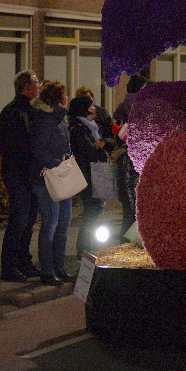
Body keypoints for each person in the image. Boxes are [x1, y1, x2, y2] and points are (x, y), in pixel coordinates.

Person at [30, 81, 76, 286]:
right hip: (48, 178)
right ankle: (47, 271)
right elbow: (38, 150)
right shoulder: (46, 120)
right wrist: (57, 164)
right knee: (51, 223)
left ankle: (59, 267)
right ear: (59, 98)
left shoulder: (58, 119)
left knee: (64, 222)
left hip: (61, 175)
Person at [0, 70, 41, 282]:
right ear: (27, 87)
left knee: (29, 219)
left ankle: (24, 261)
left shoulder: (29, 110)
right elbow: (16, 146)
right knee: (19, 220)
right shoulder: (14, 112)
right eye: (36, 83)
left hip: (29, 173)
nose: (39, 86)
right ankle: (9, 266)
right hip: (19, 174)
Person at [68, 95, 109, 257]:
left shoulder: (91, 126)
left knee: (95, 209)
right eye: (92, 106)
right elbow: (88, 150)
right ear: (83, 109)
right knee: (92, 209)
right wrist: (101, 145)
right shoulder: (78, 128)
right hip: (87, 173)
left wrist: (104, 143)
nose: (95, 109)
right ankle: (84, 248)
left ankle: (87, 246)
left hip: (95, 172)